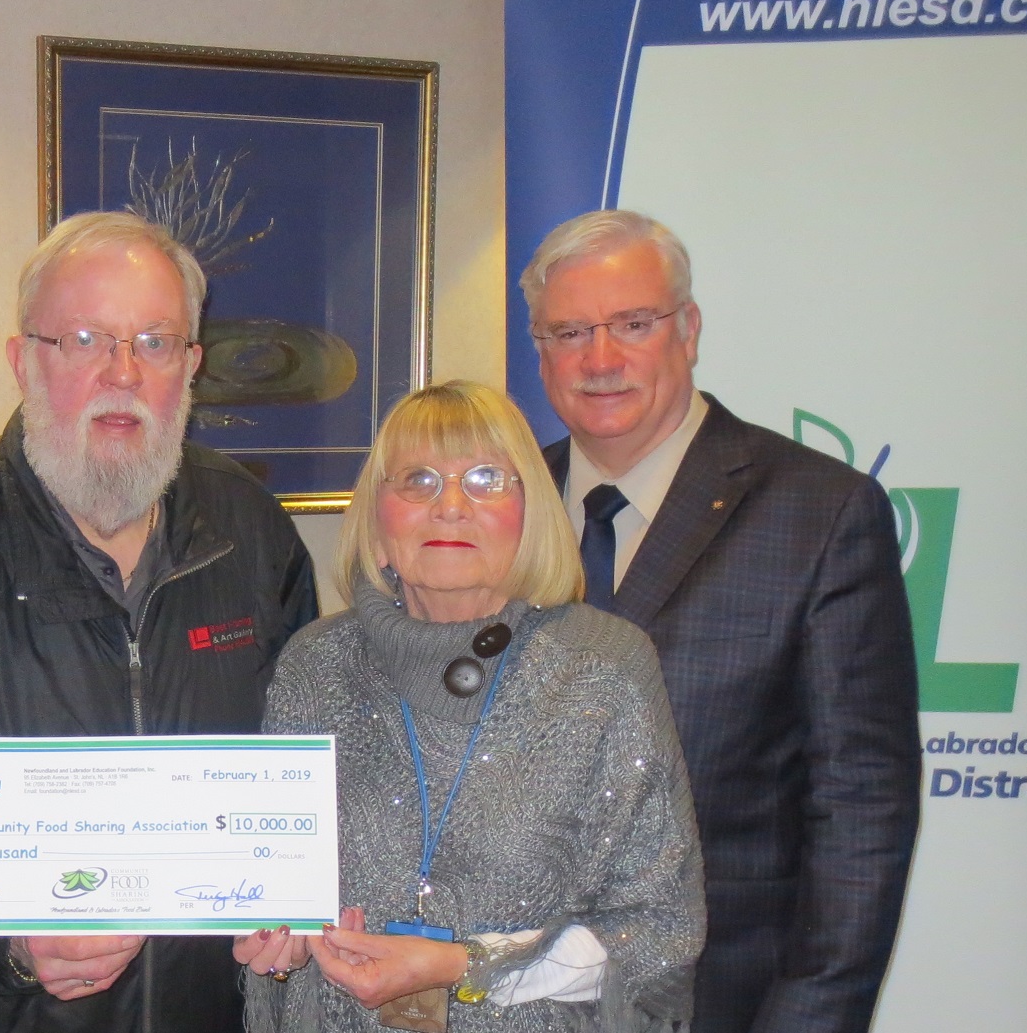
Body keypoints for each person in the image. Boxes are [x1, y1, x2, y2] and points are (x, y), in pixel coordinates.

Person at [0, 211, 320, 1032]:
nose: (122, 372)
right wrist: (11, 948)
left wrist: (297, 901)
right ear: (23, 361)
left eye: (155, 342)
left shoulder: (254, 534)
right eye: (86, 338)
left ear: (191, 366)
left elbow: (308, 772)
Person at [521, 209, 919, 1033]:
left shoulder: (819, 512)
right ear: (539, 349)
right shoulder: (499, 509)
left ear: (688, 328)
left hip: (723, 1004)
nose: (600, 359)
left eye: (633, 323)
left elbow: (860, 808)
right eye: (568, 332)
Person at [235, 380, 704, 1033]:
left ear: (530, 510)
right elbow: (272, 888)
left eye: (485, 478)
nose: (449, 505)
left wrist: (464, 963)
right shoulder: (316, 665)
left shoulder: (603, 666)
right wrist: (277, 946)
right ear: (376, 518)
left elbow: (652, 930)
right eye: (417, 480)